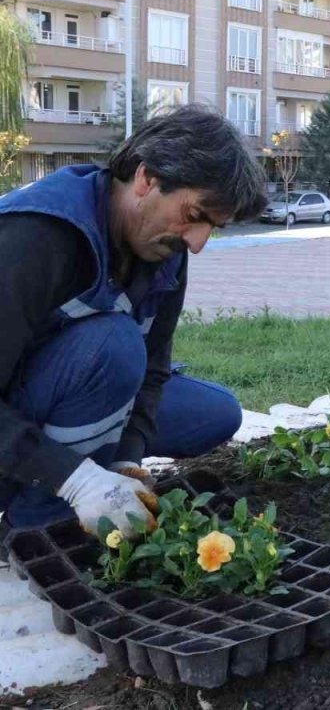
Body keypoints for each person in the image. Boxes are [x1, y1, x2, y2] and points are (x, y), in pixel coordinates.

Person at [0, 106, 267, 541]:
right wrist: (75, 479)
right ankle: (33, 519)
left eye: (212, 228)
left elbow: (155, 366)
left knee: (214, 413)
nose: (197, 243)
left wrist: (128, 458)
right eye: (196, 216)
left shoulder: (165, 251)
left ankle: (98, 465)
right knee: (114, 345)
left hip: (68, 388)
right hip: (14, 411)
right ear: (146, 179)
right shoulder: (34, 237)